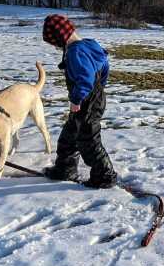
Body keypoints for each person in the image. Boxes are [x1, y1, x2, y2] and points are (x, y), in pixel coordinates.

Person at [40, 14, 118, 188]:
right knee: (69, 135)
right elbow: (104, 64)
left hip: (87, 101)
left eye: (54, 43)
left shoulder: (75, 52)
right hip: (93, 97)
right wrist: (100, 86)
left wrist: (76, 99)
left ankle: (105, 175)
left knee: (88, 140)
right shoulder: (90, 44)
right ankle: (65, 168)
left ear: (59, 39)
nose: (55, 47)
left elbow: (85, 79)